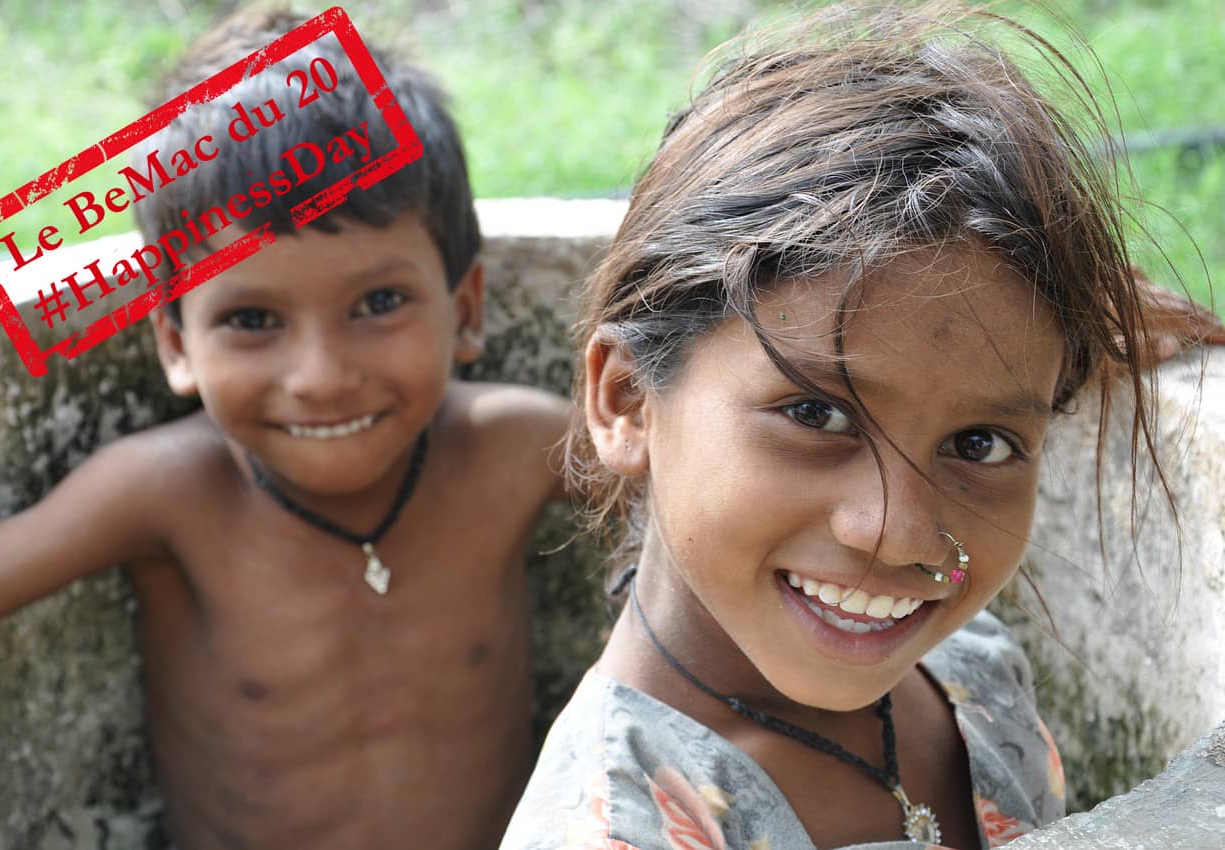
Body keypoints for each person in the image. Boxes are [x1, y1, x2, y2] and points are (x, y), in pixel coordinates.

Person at [499, 3, 1222, 849]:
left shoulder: (964, 669)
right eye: (817, 415)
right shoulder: (616, 829)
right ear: (626, 400)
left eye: (980, 442)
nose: (899, 535)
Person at [0, 9, 567, 850]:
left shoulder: (514, 450)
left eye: (379, 303)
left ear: (465, 310)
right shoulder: (168, 494)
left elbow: (697, 486)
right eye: (250, 319)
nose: (320, 376)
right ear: (177, 344)